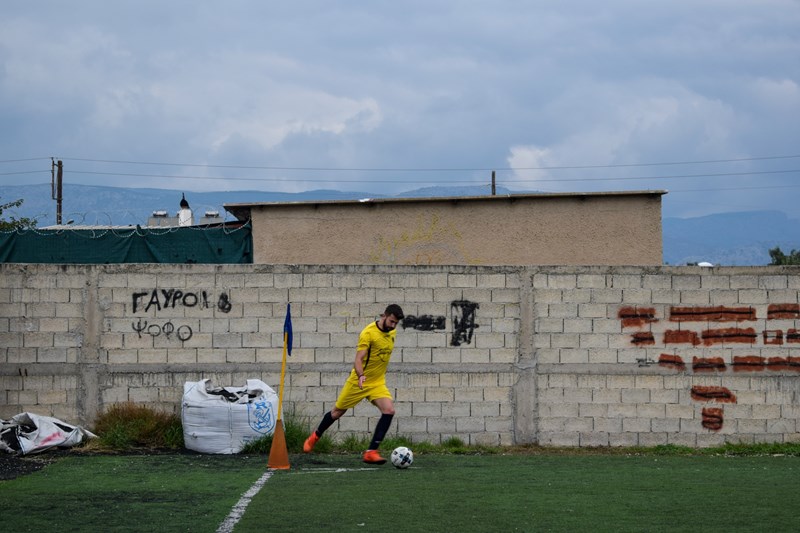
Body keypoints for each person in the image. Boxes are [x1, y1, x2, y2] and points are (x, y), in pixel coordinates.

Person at [304, 304, 405, 464]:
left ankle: (371, 452)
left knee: (389, 410)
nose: (393, 325)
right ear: (384, 316)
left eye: (395, 323)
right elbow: (358, 358)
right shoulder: (368, 333)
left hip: (377, 382)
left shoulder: (392, 332)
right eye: (391, 321)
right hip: (359, 381)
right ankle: (315, 436)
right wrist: (360, 375)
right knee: (337, 413)